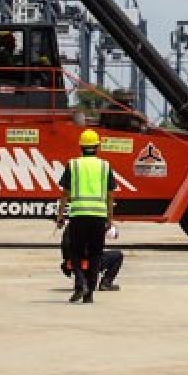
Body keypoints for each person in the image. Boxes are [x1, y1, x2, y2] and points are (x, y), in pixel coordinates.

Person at [55, 129, 117, 303]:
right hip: (98, 216)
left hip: (78, 215)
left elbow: (65, 193)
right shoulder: (105, 165)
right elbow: (110, 195)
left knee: (75, 251)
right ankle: (89, 293)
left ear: (81, 147)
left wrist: (60, 216)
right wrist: (110, 220)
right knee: (96, 254)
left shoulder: (73, 165)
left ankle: (80, 283)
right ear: (97, 147)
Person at [60, 222, 124, 291]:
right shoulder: (95, 223)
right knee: (118, 255)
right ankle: (106, 283)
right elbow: (114, 235)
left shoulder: (71, 225)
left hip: (70, 264)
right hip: (89, 263)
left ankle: (81, 280)